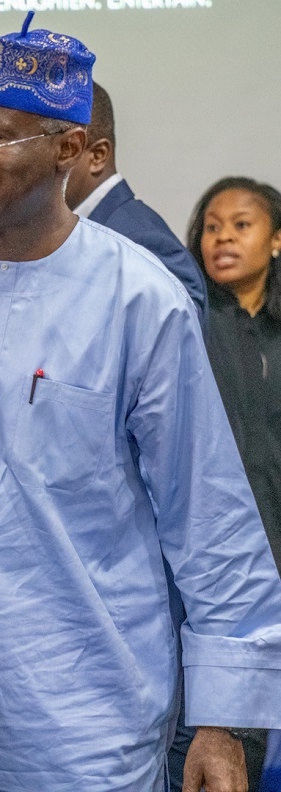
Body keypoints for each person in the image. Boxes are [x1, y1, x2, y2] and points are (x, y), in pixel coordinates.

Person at [0, 13, 281, 792]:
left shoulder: (143, 299)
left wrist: (222, 722)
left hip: (84, 725)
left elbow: (208, 519)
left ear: (69, 148)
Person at [179, 176, 281, 790]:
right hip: (212, 562)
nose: (222, 237)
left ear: (275, 241)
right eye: (212, 226)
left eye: (240, 225)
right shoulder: (186, 317)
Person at [64, 81, 208, 325]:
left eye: (60, 149)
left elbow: (178, 349)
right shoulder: (60, 231)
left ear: (97, 155)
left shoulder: (142, 242)